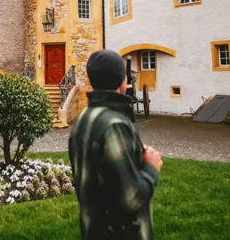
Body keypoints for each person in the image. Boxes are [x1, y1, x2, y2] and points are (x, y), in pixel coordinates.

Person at [69, 49, 162, 240]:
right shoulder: (114, 125)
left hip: (93, 229)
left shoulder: (83, 119)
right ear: (123, 80)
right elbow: (131, 198)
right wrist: (152, 168)